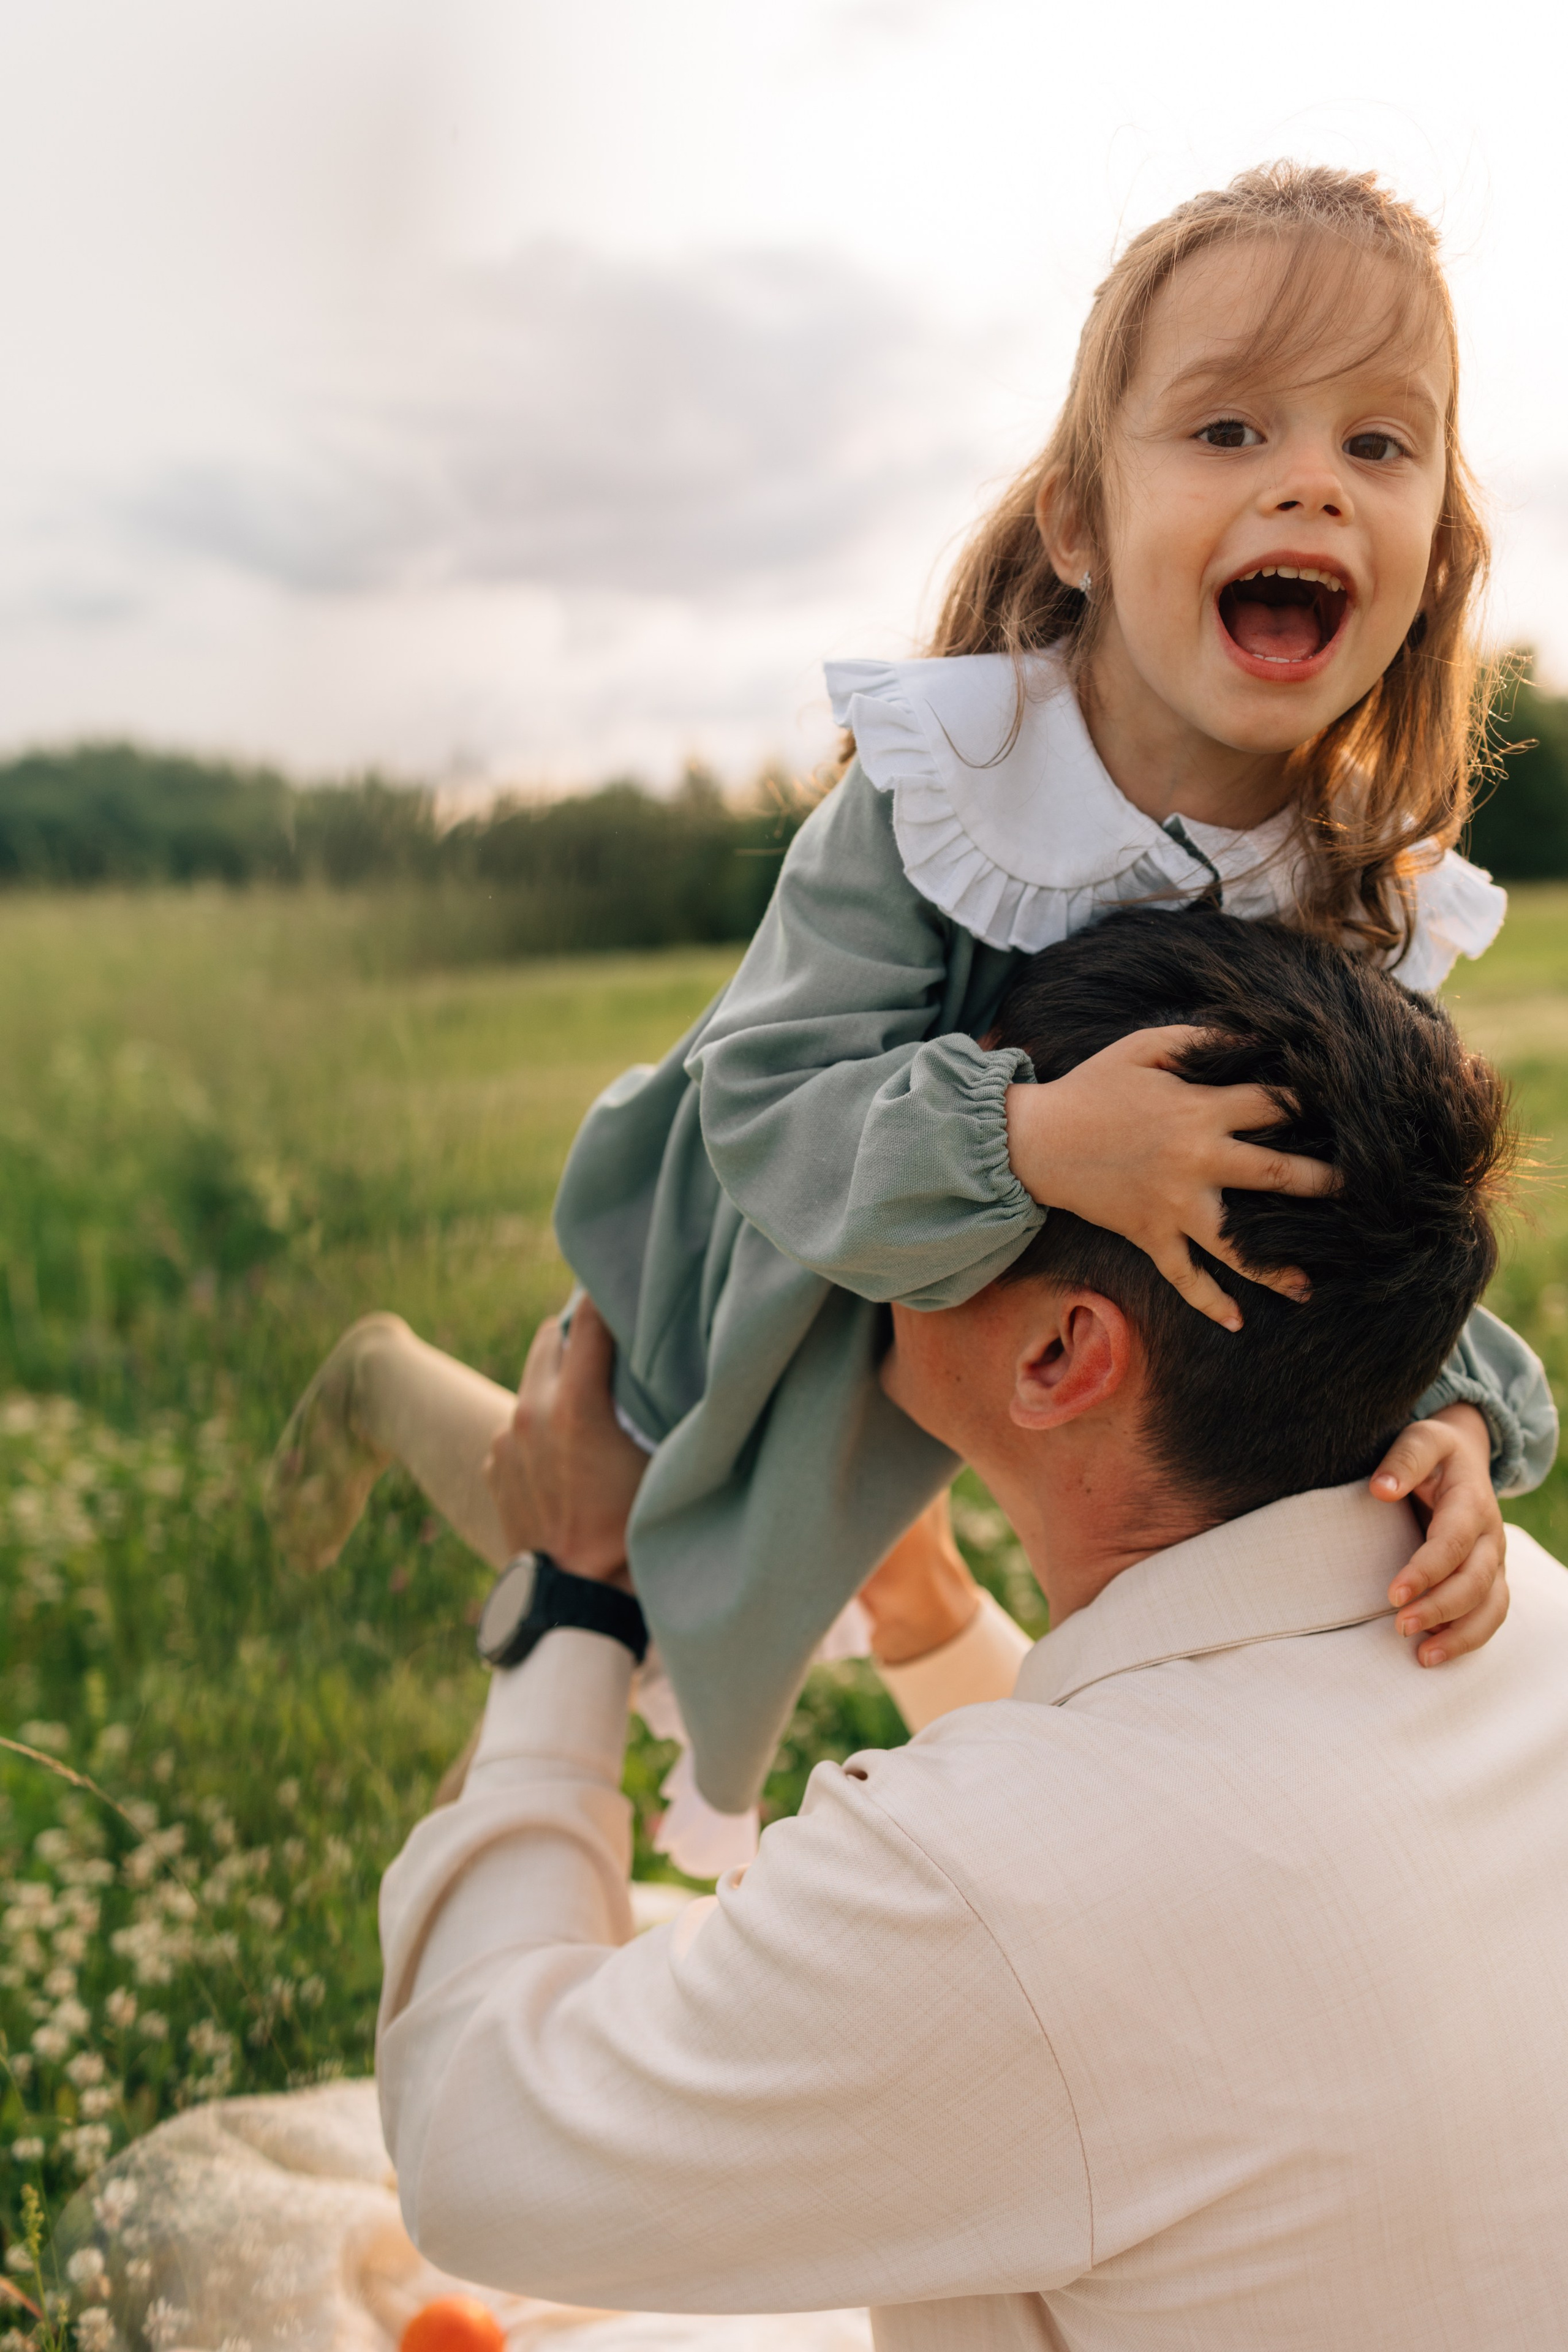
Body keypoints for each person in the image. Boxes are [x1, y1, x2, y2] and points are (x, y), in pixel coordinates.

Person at [272, 161, 1556, 1830]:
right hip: (779, 1298)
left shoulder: (1353, 888)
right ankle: (392, 1414)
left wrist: (1445, 1417)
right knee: (607, 1559)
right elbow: (769, 1100)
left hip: (1042, 1355)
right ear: (1079, 522)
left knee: (1105, 1580)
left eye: (1377, 443)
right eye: (1231, 431)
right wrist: (1029, 1142)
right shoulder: (954, 782)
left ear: (1437, 546)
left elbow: (1367, 1212)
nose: (1311, 483)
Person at [377, 908, 1568, 2351]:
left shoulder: (976, 1896)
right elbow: (1160, 1916)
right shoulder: (1526, 1618)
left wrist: (575, 1595)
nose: (862, 1223)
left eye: (952, 1188)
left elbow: (471, 2144)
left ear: (1062, 1354)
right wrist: (931, 1612)